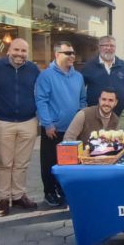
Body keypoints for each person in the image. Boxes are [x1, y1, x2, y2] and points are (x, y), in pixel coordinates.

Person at [0, 38, 39, 217]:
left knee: (22, 163)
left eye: (23, 51)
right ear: (9, 50)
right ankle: (2, 199)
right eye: (16, 50)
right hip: (3, 122)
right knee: (4, 163)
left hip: (28, 122)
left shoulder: (33, 69)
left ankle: (18, 196)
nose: (19, 54)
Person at [36, 41, 86, 207]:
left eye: (73, 53)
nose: (72, 56)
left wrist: (82, 119)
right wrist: (47, 123)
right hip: (54, 129)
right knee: (50, 162)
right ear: (57, 55)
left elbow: (82, 100)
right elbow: (41, 100)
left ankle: (64, 191)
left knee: (70, 163)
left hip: (73, 130)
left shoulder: (78, 76)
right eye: (68, 53)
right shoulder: (46, 75)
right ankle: (49, 192)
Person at [81, 36, 124, 116]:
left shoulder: (123, 66)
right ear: (99, 47)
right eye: (105, 45)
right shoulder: (89, 66)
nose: (109, 48)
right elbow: (79, 89)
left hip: (119, 115)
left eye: (112, 46)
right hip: (94, 116)